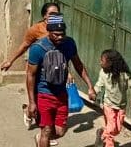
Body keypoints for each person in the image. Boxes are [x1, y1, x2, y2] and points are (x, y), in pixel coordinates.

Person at [26, 15, 95, 147]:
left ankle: (40, 139)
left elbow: (78, 65)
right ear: (49, 32)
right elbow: (30, 75)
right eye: (56, 34)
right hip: (43, 94)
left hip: (61, 95)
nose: (60, 37)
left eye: (62, 34)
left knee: (60, 131)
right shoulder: (37, 48)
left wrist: (90, 86)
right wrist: (32, 102)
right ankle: (43, 138)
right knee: (46, 130)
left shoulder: (69, 44)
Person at [4, 2, 63, 126]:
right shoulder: (36, 29)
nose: (54, 16)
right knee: (37, 100)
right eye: (51, 14)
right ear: (44, 16)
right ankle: (41, 127)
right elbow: (25, 45)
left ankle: (42, 124)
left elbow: (62, 52)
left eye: (56, 14)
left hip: (54, 71)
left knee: (50, 100)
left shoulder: (59, 29)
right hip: (37, 71)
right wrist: (11, 60)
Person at [91, 49, 131, 147]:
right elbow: (98, 85)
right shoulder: (103, 73)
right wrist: (94, 92)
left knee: (117, 129)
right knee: (111, 128)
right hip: (108, 104)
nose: (100, 62)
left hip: (121, 106)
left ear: (110, 63)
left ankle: (102, 133)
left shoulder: (125, 75)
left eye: (102, 60)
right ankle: (108, 142)